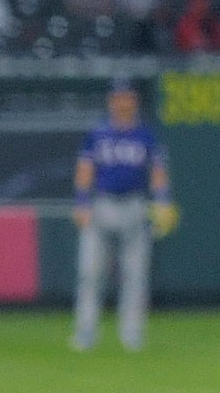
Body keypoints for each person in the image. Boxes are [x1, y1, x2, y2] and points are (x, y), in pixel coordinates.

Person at [69, 79, 173, 353]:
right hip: (102, 205)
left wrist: (162, 201)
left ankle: (132, 333)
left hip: (135, 205)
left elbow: (157, 171)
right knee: (90, 273)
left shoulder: (146, 136)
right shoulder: (98, 134)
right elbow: (85, 168)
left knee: (135, 274)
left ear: (134, 102)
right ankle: (86, 331)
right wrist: (81, 202)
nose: (123, 102)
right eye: (118, 97)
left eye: (127, 97)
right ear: (111, 102)